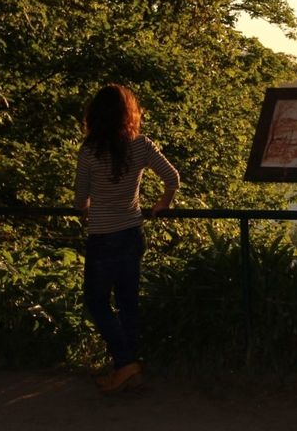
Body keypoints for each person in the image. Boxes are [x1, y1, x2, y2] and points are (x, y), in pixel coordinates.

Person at [74, 84, 179, 394]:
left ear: (95, 115)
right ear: (127, 114)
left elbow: (81, 200)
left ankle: (125, 364)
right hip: (132, 233)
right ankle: (130, 370)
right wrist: (163, 202)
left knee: (96, 301)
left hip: (103, 237)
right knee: (128, 303)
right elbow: (172, 177)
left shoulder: (89, 151)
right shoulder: (141, 145)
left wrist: (89, 207)